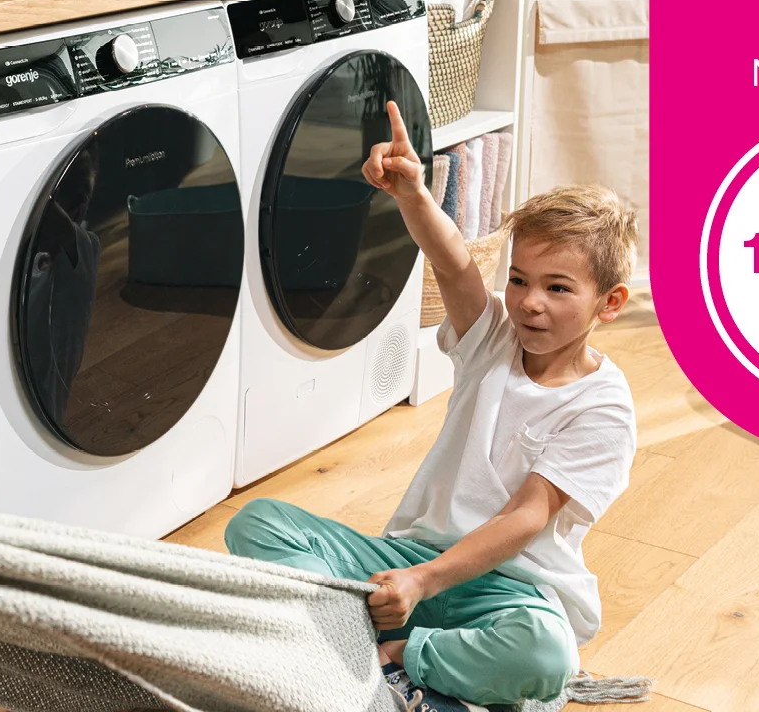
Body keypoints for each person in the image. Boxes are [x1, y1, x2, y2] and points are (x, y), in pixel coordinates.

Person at [225, 102, 639, 710]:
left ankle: (396, 656)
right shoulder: (492, 339)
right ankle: (394, 653)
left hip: (508, 592)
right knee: (256, 522)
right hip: (411, 556)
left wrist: (423, 583)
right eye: (519, 279)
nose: (529, 302)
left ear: (610, 302)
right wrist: (413, 193)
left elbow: (526, 518)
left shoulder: (605, 408)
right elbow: (451, 260)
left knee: (546, 658)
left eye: (558, 288)